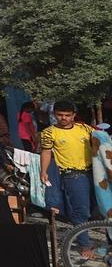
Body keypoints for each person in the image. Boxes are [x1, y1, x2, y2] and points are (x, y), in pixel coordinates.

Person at [39, 101, 96, 254]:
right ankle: (84, 245)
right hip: (72, 175)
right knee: (80, 211)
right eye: (60, 115)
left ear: (73, 115)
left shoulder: (84, 128)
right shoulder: (49, 133)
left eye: (67, 115)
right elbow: (46, 152)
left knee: (99, 209)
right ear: (54, 115)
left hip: (94, 173)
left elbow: (99, 140)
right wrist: (43, 171)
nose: (63, 118)